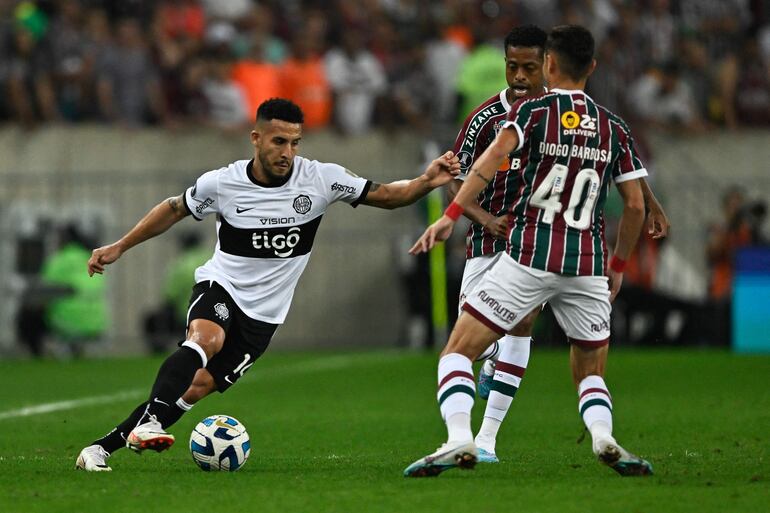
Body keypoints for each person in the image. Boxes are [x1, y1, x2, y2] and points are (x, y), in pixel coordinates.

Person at [75, 98, 460, 472]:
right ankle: (151, 424)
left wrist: (427, 181)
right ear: (256, 138)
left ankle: (99, 448)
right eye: (278, 141)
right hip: (221, 286)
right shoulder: (223, 183)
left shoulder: (322, 179)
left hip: (264, 315)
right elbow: (174, 208)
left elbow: (390, 196)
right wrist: (120, 245)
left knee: (196, 388)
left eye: (295, 143)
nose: (287, 152)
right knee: (206, 341)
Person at [405, 25, 654, 478]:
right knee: (590, 372)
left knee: (457, 352)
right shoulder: (613, 125)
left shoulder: (536, 113)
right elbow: (634, 203)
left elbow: (487, 162)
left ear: (549, 65)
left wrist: (450, 215)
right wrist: (618, 265)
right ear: (593, 67)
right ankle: (604, 437)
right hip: (588, 264)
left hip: (531, 254)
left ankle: (463, 438)